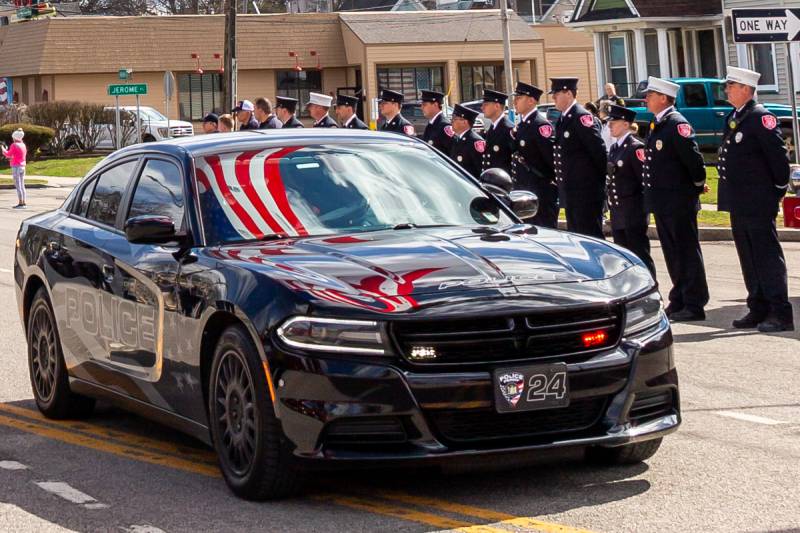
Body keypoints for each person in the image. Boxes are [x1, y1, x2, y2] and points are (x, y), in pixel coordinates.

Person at [718, 66, 793, 332]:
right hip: (740, 201)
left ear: (746, 90)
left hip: (758, 200)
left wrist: (776, 191)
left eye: (731, 85)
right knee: (748, 256)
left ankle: (779, 312)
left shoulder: (761, 118)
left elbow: (778, 160)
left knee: (766, 256)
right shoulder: (737, 117)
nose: (726, 90)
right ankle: (757, 306)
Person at [642, 76, 709, 322]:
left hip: (678, 201)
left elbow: (694, 163)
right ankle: (679, 297)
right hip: (663, 201)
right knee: (672, 252)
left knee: (686, 251)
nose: (646, 99)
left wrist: (695, 187)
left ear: (663, 98)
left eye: (650, 95)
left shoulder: (676, 124)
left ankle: (694, 302)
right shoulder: (658, 124)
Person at [551, 77, 607, 238]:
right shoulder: (564, 118)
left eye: (556, 93)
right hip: (572, 192)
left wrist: (595, 184)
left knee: (590, 237)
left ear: (568, 93)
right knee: (578, 238)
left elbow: (598, 151)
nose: (553, 97)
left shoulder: (581, 117)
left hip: (586, 192)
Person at [605, 104, 656, 277]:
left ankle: (650, 288)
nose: (610, 125)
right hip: (618, 212)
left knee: (639, 256)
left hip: (633, 212)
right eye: (609, 121)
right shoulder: (614, 148)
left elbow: (644, 181)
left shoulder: (635, 148)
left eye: (614, 121)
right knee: (623, 258)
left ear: (626, 124)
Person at [510, 81, 558, 228]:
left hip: (540, 191)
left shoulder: (540, 125)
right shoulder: (523, 125)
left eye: (519, 98)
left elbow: (550, 160)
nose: (515, 101)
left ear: (531, 101)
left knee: (543, 229)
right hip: (524, 189)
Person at [480, 89, 514, 174]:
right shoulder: (492, 127)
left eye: (486, 105)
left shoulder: (508, 129)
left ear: (497, 106)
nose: (482, 108)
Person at [448, 104, 485, 179]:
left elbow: (480, 170)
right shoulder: (456, 139)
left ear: (464, 122)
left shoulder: (475, 142)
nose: (451, 122)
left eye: (455, 119)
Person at [2, 128, 26, 208]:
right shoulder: (23, 145)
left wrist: (3, 149)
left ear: (15, 137)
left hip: (16, 167)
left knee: (17, 185)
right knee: (22, 185)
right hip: (22, 166)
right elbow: (17, 155)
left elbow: (8, 154)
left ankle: (20, 203)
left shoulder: (14, 145)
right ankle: (24, 202)